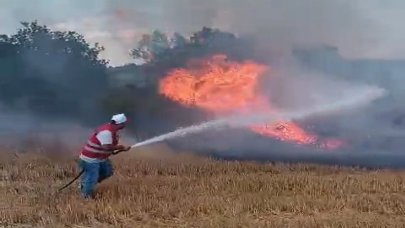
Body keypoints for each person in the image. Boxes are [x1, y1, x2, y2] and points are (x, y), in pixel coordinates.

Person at [78, 113, 131, 199]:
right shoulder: (106, 132)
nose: (125, 125)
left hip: (100, 158)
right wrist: (120, 147)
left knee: (108, 172)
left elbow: (110, 149)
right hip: (90, 159)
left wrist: (121, 149)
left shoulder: (113, 130)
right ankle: (85, 196)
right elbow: (106, 147)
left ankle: (85, 183)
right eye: (124, 123)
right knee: (92, 177)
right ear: (119, 124)